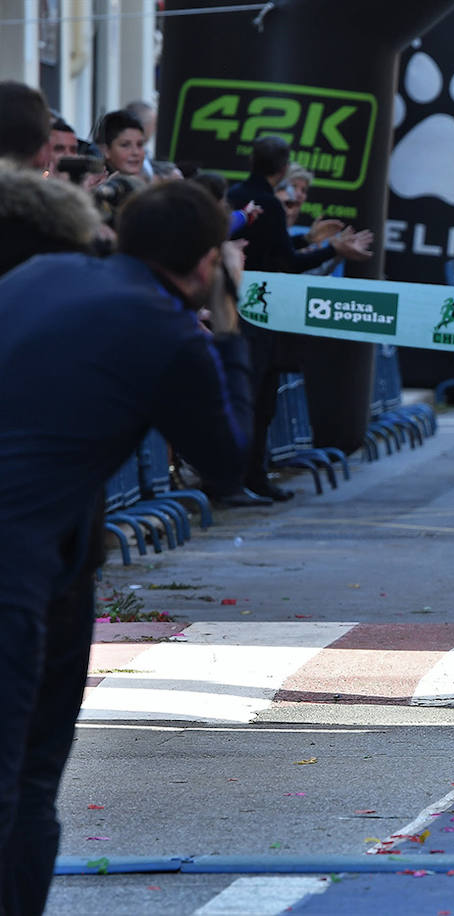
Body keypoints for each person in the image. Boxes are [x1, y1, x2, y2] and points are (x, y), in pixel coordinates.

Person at [0, 179, 254, 916]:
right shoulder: (168, 332)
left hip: (49, 559)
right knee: (26, 783)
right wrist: (231, 332)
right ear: (209, 263)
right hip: (21, 573)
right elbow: (229, 463)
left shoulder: (39, 272)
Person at [225, 135, 371, 506]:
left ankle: (250, 476)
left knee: (255, 397)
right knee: (258, 400)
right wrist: (331, 248)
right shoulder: (268, 205)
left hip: (235, 307)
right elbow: (287, 261)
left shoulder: (236, 195)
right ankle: (244, 477)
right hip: (259, 314)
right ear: (283, 168)